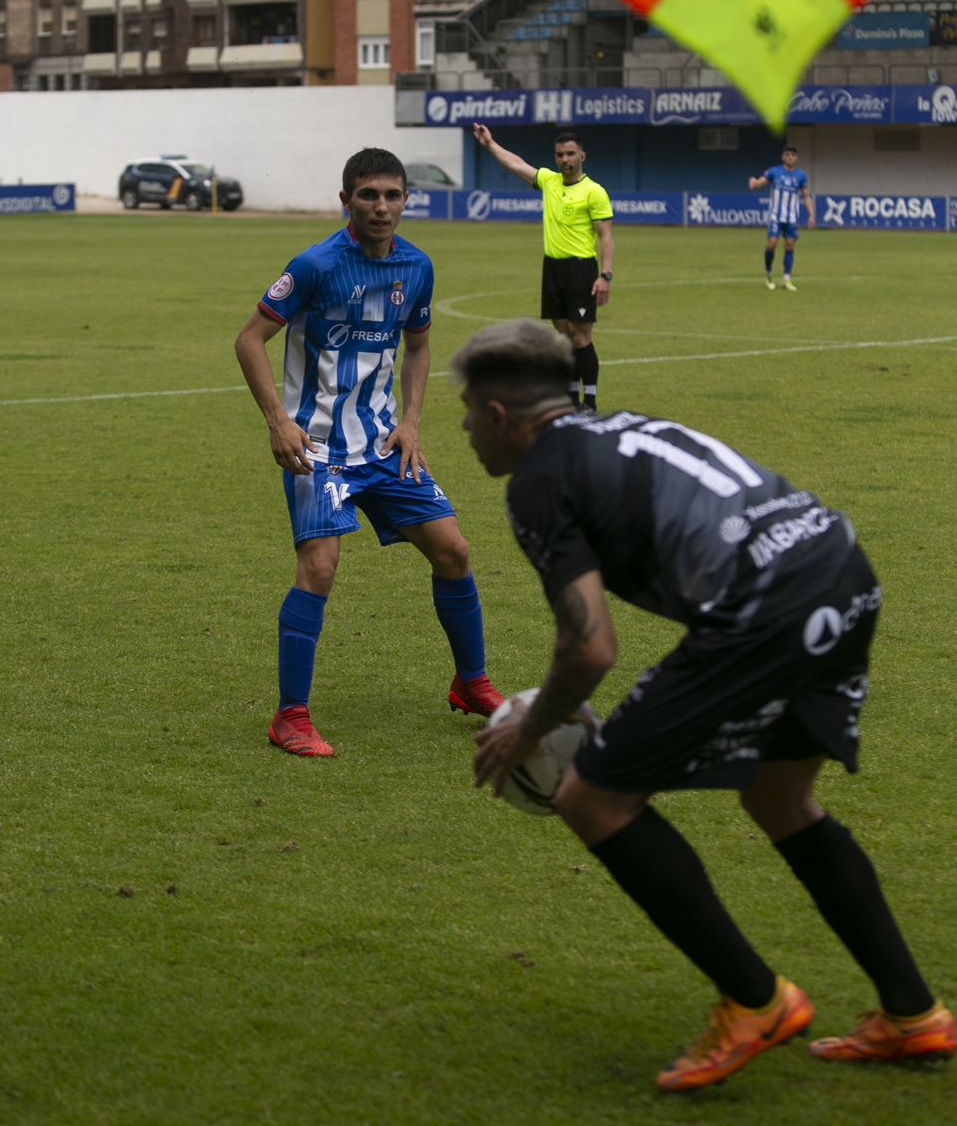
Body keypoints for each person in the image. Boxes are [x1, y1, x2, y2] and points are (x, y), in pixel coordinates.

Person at [455, 318, 954, 1093]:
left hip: (767, 608)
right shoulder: (618, 427)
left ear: (498, 416)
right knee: (779, 796)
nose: (462, 430)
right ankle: (913, 1014)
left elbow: (589, 648)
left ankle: (755, 1000)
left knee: (593, 796)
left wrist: (531, 725)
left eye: (465, 413)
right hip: (840, 571)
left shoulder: (540, 478)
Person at [234, 147, 502, 757]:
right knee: (320, 568)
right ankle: (290, 717)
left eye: (392, 196)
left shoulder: (417, 267)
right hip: (318, 446)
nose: (381, 207)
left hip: (382, 443)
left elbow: (418, 347)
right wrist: (277, 421)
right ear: (346, 200)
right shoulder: (314, 264)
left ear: (407, 200)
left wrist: (411, 421)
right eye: (368, 196)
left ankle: (472, 682)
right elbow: (249, 340)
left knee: (454, 550)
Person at [472, 123, 613, 411]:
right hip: (552, 269)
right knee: (563, 335)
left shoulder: (594, 191)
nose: (565, 160)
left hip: (581, 268)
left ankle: (591, 402)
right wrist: (490, 144)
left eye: (570, 154)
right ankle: (572, 397)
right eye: (560, 155)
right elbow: (516, 164)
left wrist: (605, 276)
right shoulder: (549, 181)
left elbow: (606, 236)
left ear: (582, 156)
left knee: (581, 336)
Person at [749, 144, 815, 292]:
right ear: (783, 157)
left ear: (796, 158)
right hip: (775, 216)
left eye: (793, 155)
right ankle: (769, 275)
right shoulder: (774, 171)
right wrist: (755, 183)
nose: (790, 157)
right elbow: (761, 181)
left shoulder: (801, 176)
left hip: (791, 217)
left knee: (790, 245)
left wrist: (811, 214)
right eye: (787, 155)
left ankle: (786, 279)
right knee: (772, 244)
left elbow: (805, 196)